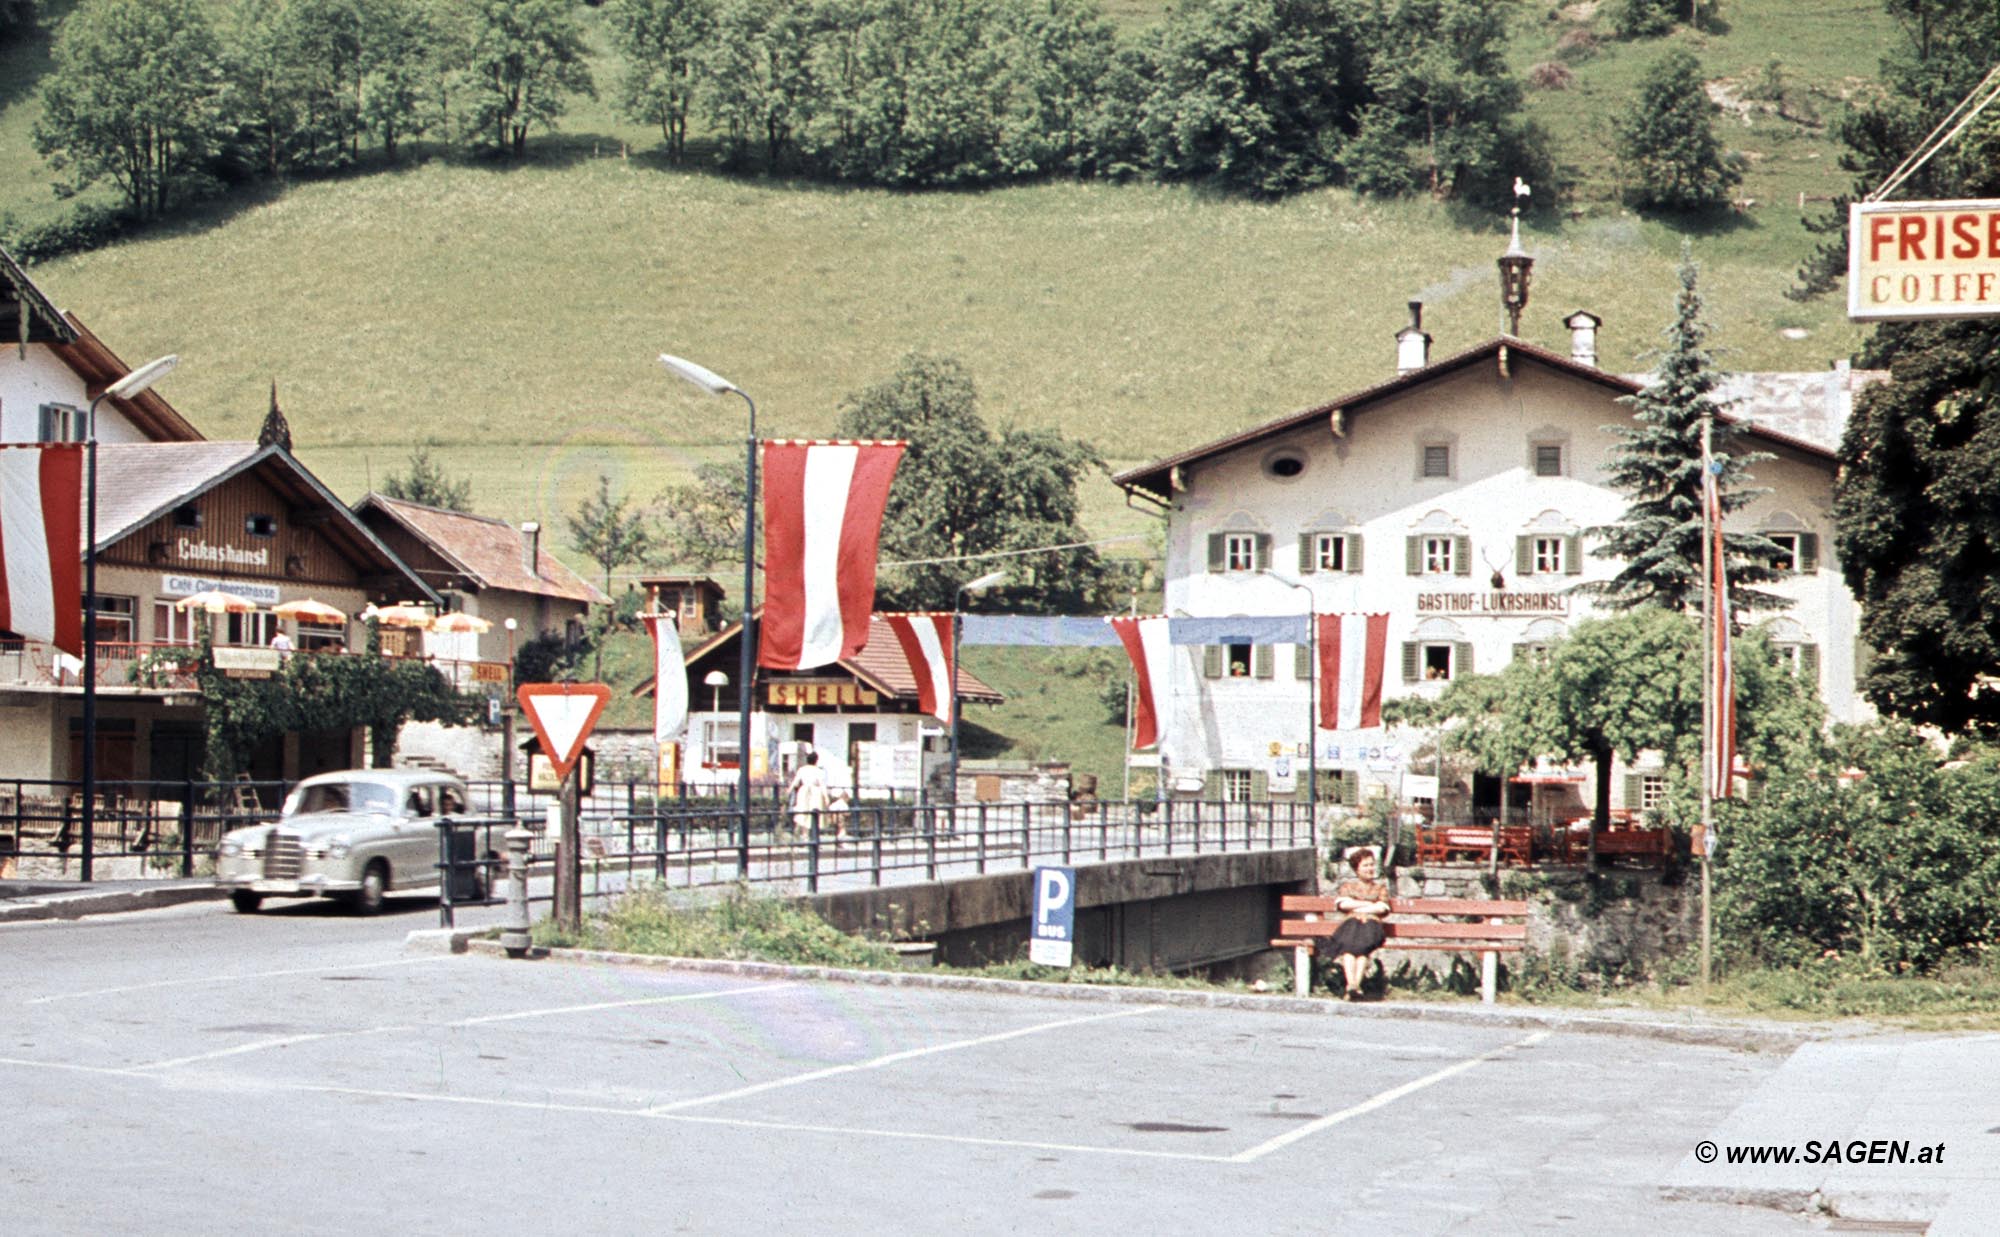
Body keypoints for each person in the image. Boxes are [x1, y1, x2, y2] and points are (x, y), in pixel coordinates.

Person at [1326, 847, 1391, 1001]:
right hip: (1351, 924)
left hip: (1371, 924)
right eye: (1365, 865)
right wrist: (1369, 904)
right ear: (1357, 869)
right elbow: (1342, 904)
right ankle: (1354, 986)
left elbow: (1382, 907)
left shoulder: (1379, 887)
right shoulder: (1348, 886)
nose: (1370, 869)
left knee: (1362, 949)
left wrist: (1358, 905)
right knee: (1349, 949)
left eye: (1371, 865)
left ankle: (1352, 987)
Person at [786, 750, 830, 842]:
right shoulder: (819, 771)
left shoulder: (802, 769)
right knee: (814, 814)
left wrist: (789, 790)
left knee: (803, 813)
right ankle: (813, 836)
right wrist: (826, 797)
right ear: (816, 760)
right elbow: (822, 785)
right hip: (815, 792)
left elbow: (796, 781)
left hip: (804, 791)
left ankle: (804, 835)